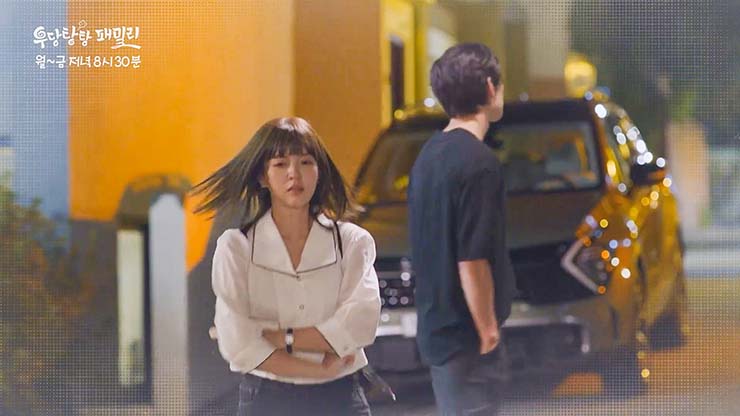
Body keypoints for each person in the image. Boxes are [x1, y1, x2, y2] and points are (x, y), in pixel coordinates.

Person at [192, 117, 381, 416]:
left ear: (319, 171)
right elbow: (238, 344)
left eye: (306, 162)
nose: (294, 173)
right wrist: (318, 370)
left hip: (342, 397)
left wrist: (280, 337)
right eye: (280, 164)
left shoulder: (352, 242)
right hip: (267, 399)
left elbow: (361, 324)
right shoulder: (236, 248)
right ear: (262, 176)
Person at [407, 43, 517, 415]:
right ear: (489, 87)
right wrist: (487, 328)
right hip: (467, 338)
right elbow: (472, 258)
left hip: (437, 330)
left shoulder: (428, 156)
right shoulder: (480, 164)